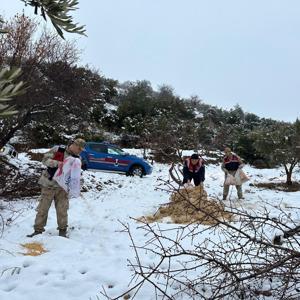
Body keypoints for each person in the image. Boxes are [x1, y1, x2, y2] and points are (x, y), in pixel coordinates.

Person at [27, 138, 86, 238]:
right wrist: (58, 164)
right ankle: (38, 231)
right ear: (74, 145)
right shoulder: (58, 150)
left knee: (62, 210)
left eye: (81, 150)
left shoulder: (77, 158)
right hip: (49, 184)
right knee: (43, 209)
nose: (80, 151)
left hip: (62, 188)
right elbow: (45, 160)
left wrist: (76, 185)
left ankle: (62, 231)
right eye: (79, 149)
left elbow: (75, 175)